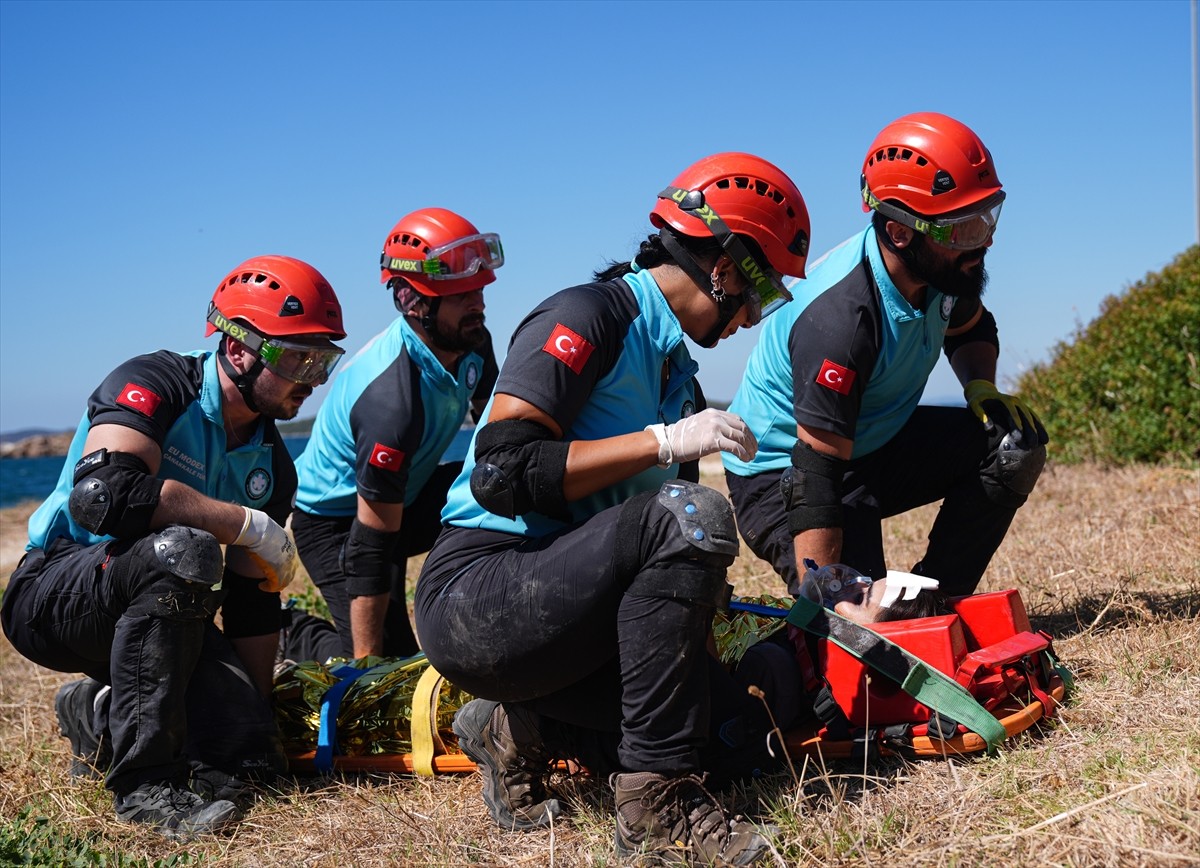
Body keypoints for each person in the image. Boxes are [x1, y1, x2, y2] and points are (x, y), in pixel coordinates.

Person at [414, 153, 811, 864]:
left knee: (734, 741)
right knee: (689, 514)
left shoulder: (677, 375)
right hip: (479, 594)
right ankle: (655, 817)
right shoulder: (587, 315)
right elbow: (501, 472)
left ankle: (518, 727)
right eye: (762, 294)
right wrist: (658, 442)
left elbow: (660, 566)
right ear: (725, 270)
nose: (755, 317)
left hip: (571, 616)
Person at [1, 256, 347, 837]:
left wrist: (252, 720)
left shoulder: (273, 465)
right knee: (182, 547)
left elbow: (250, 603)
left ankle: (98, 715)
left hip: (161, 616)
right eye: (298, 358)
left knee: (252, 760)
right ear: (240, 350)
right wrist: (241, 523)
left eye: (323, 360)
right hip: (55, 594)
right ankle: (145, 789)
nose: (313, 381)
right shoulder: (157, 382)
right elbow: (102, 495)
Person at [724, 112, 1048, 600]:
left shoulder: (940, 273)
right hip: (783, 472)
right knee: (861, 620)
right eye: (963, 228)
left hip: (867, 444)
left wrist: (978, 384)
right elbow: (817, 476)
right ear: (900, 232)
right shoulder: (842, 320)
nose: (985, 241)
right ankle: (884, 620)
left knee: (1012, 447)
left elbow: (971, 326)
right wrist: (835, 598)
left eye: (987, 216)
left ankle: (938, 599)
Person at [284, 208, 499, 662]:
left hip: (405, 496)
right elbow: (372, 546)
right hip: (335, 521)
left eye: (478, 290)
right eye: (461, 296)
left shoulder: (472, 337)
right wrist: (366, 664)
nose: (478, 304)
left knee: (506, 473)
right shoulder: (391, 401)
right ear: (414, 302)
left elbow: (498, 435)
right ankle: (292, 631)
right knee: (382, 662)